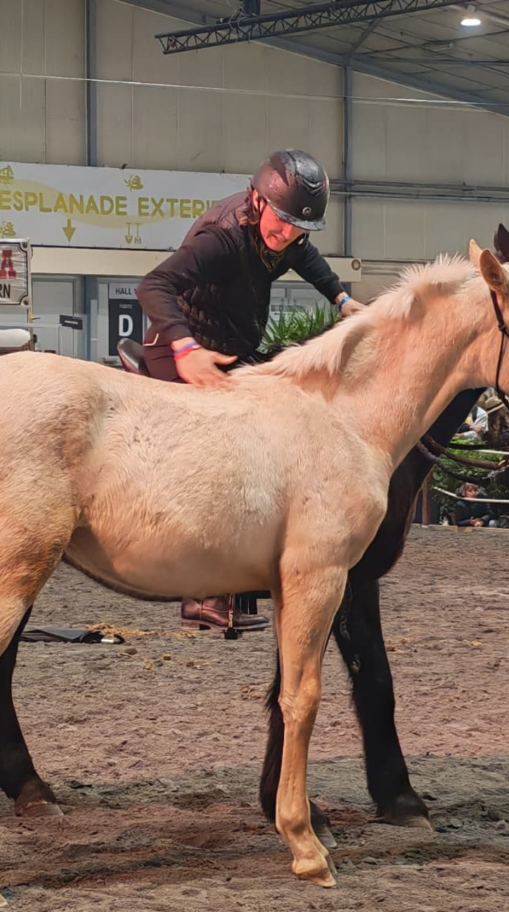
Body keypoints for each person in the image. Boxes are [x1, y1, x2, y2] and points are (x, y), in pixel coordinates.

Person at [135, 149, 366, 631]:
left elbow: (305, 255)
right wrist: (184, 347)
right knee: (219, 454)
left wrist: (341, 298)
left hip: (231, 347)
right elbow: (153, 286)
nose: (287, 236)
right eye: (281, 223)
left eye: (297, 228)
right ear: (258, 200)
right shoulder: (219, 239)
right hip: (180, 347)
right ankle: (201, 597)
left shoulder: (287, 232)